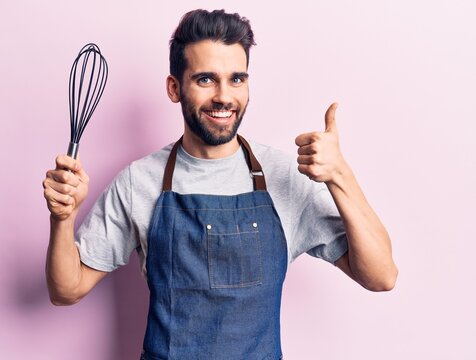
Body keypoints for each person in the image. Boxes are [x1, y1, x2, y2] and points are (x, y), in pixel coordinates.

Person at [43, 9, 398, 360]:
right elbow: (66, 289)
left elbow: (381, 276)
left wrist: (340, 176)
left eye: (237, 79)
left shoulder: (285, 176)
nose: (224, 97)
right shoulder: (139, 181)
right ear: (174, 87)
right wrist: (62, 218)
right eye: (205, 79)